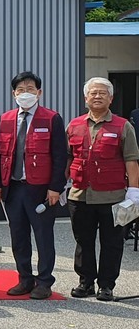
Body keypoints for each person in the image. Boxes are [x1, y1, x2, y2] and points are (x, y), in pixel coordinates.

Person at [0, 72, 67, 300]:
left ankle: (44, 281)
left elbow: (60, 156)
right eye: (21, 89)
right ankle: (25, 278)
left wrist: (56, 187)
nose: (26, 93)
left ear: (39, 93)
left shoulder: (52, 118)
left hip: (41, 189)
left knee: (43, 236)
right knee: (18, 236)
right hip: (13, 188)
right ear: (14, 93)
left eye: (30, 89)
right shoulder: (4, 119)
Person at [66, 77, 139, 301]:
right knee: (83, 241)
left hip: (113, 196)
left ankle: (106, 285)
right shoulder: (74, 125)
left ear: (111, 98)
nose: (97, 97)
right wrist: (58, 186)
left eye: (102, 93)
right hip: (80, 195)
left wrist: (134, 191)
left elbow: (132, 160)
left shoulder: (122, 125)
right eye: (93, 93)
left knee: (112, 243)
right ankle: (86, 282)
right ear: (85, 97)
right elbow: (68, 158)